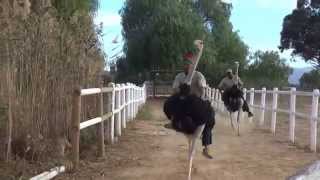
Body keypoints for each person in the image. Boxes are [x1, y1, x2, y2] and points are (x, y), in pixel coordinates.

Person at [170, 52, 215, 159]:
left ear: (193, 65)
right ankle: (172, 122)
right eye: (185, 63)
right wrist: (181, 89)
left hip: (198, 104)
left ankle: (206, 147)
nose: (187, 65)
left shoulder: (199, 75)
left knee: (209, 119)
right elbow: (175, 89)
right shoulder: (179, 76)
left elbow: (203, 90)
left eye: (189, 63)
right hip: (185, 103)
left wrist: (200, 88)